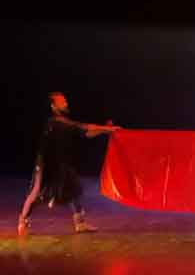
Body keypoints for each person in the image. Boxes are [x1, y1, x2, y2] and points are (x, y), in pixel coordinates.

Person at [18, 92, 121, 236]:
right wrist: (107, 129)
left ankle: (80, 223)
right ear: (54, 106)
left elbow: (86, 133)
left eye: (65, 100)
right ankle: (23, 220)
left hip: (60, 162)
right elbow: (84, 127)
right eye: (62, 101)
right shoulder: (55, 122)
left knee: (72, 189)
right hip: (45, 164)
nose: (66, 103)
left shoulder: (64, 122)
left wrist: (104, 131)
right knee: (37, 192)